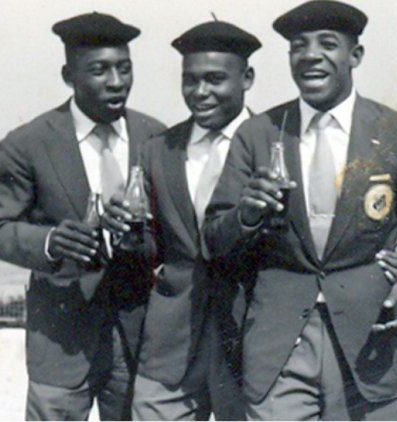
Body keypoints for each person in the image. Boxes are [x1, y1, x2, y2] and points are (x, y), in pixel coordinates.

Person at [203, 1, 397, 420]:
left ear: (355, 55)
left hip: (369, 339)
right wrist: (245, 215)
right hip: (278, 345)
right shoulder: (258, 133)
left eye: (327, 44)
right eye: (298, 46)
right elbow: (214, 237)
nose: (310, 55)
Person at [0, 12, 165, 421]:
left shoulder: (157, 137)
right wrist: (50, 242)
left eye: (124, 68)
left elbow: (175, 230)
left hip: (137, 336)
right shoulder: (27, 144)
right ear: (68, 75)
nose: (116, 82)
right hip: (60, 339)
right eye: (99, 70)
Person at [132, 21, 260, 421]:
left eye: (215, 79)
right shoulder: (157, 150)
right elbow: (151, 244)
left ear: (247, 78)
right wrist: (123, 232)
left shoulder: (277, 144)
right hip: (171, 341)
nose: (200, 92)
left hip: (251, 339)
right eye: (190, 80)